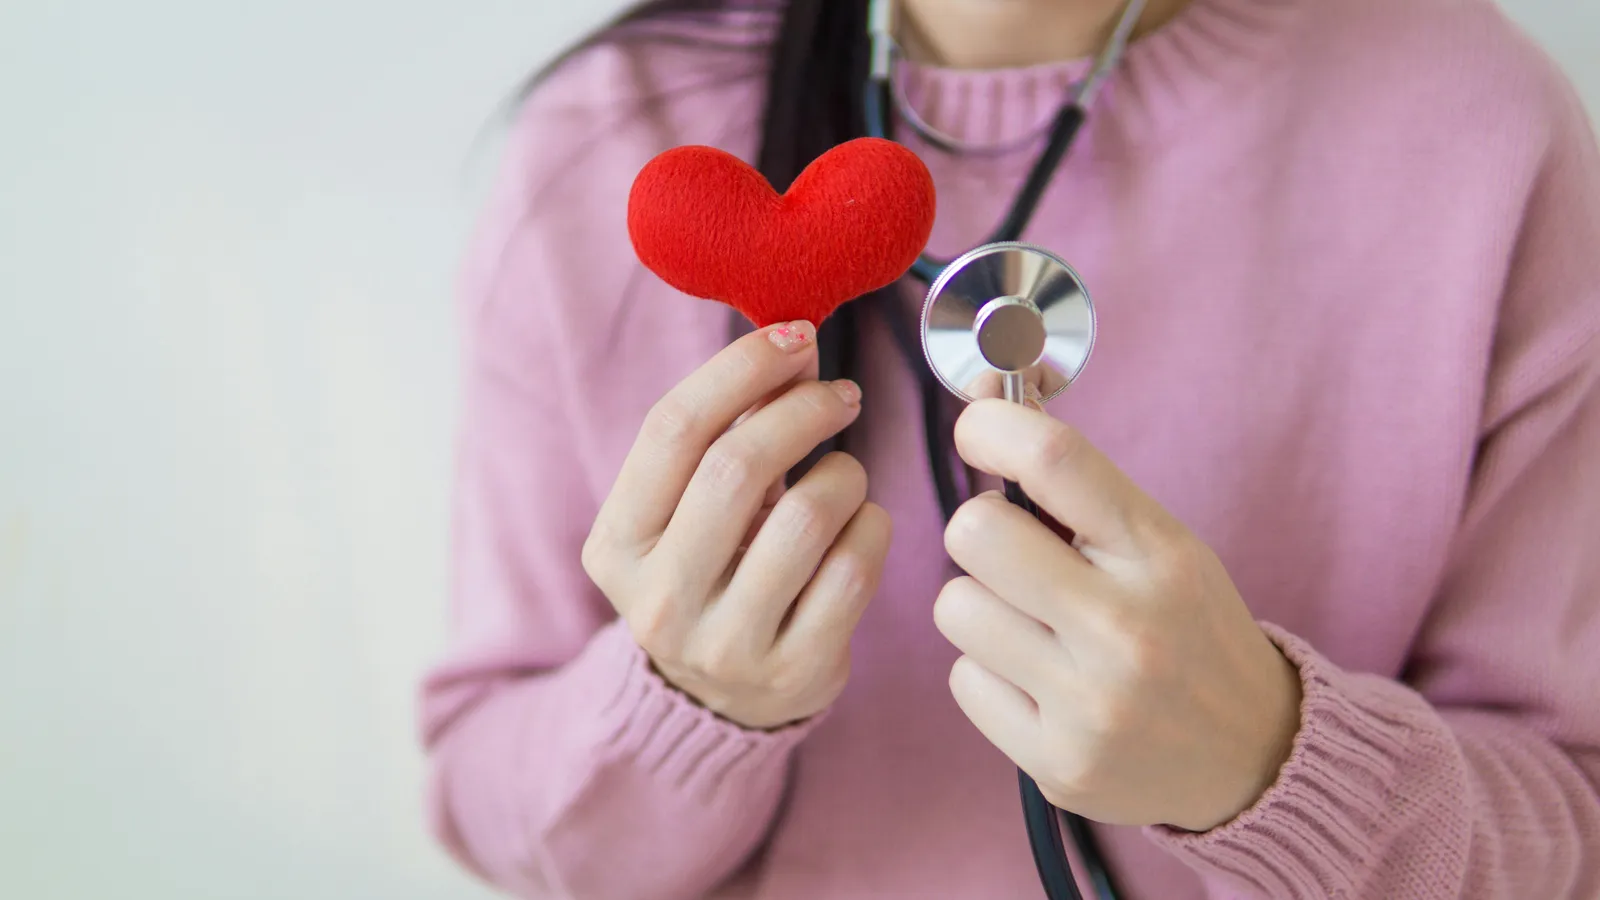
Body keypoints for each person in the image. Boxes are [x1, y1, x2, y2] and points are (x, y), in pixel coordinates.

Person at [416, 0, 1600, 897]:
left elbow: (1576, 823)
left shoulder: (1474, 124)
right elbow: (485, 795)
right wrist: (678, 704)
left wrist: (1273, 765)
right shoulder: (604, 139)